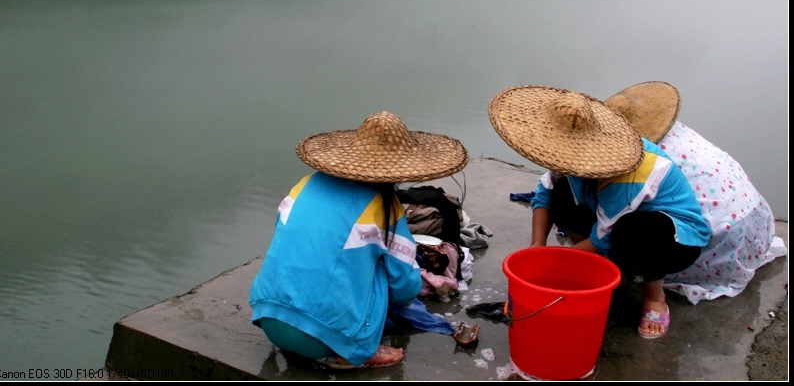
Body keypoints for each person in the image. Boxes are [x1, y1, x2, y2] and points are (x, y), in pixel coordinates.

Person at [249, 111, 469, 369]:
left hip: (268, 317)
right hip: (318, 338)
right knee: (380, 271)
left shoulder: (304, 185)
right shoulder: (384, 206)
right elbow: (404, 287)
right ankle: (351, 351)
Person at [488, 85, 711, 339]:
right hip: (612, 219)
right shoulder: (565, 151)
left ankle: (654, 295)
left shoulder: (629, 173)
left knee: (634, 231)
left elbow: (603, 236)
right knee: (561, 192)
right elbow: (544, 193)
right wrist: (536, 246)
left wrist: (547, 272)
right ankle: (596, 264)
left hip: (673, 236)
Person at [604, 81, 787, 304]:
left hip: (718, 244)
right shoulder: (680, 132)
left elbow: (608, 225)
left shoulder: (641, 158)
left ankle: (654, 296)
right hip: (755, 222)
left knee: (629, 230)